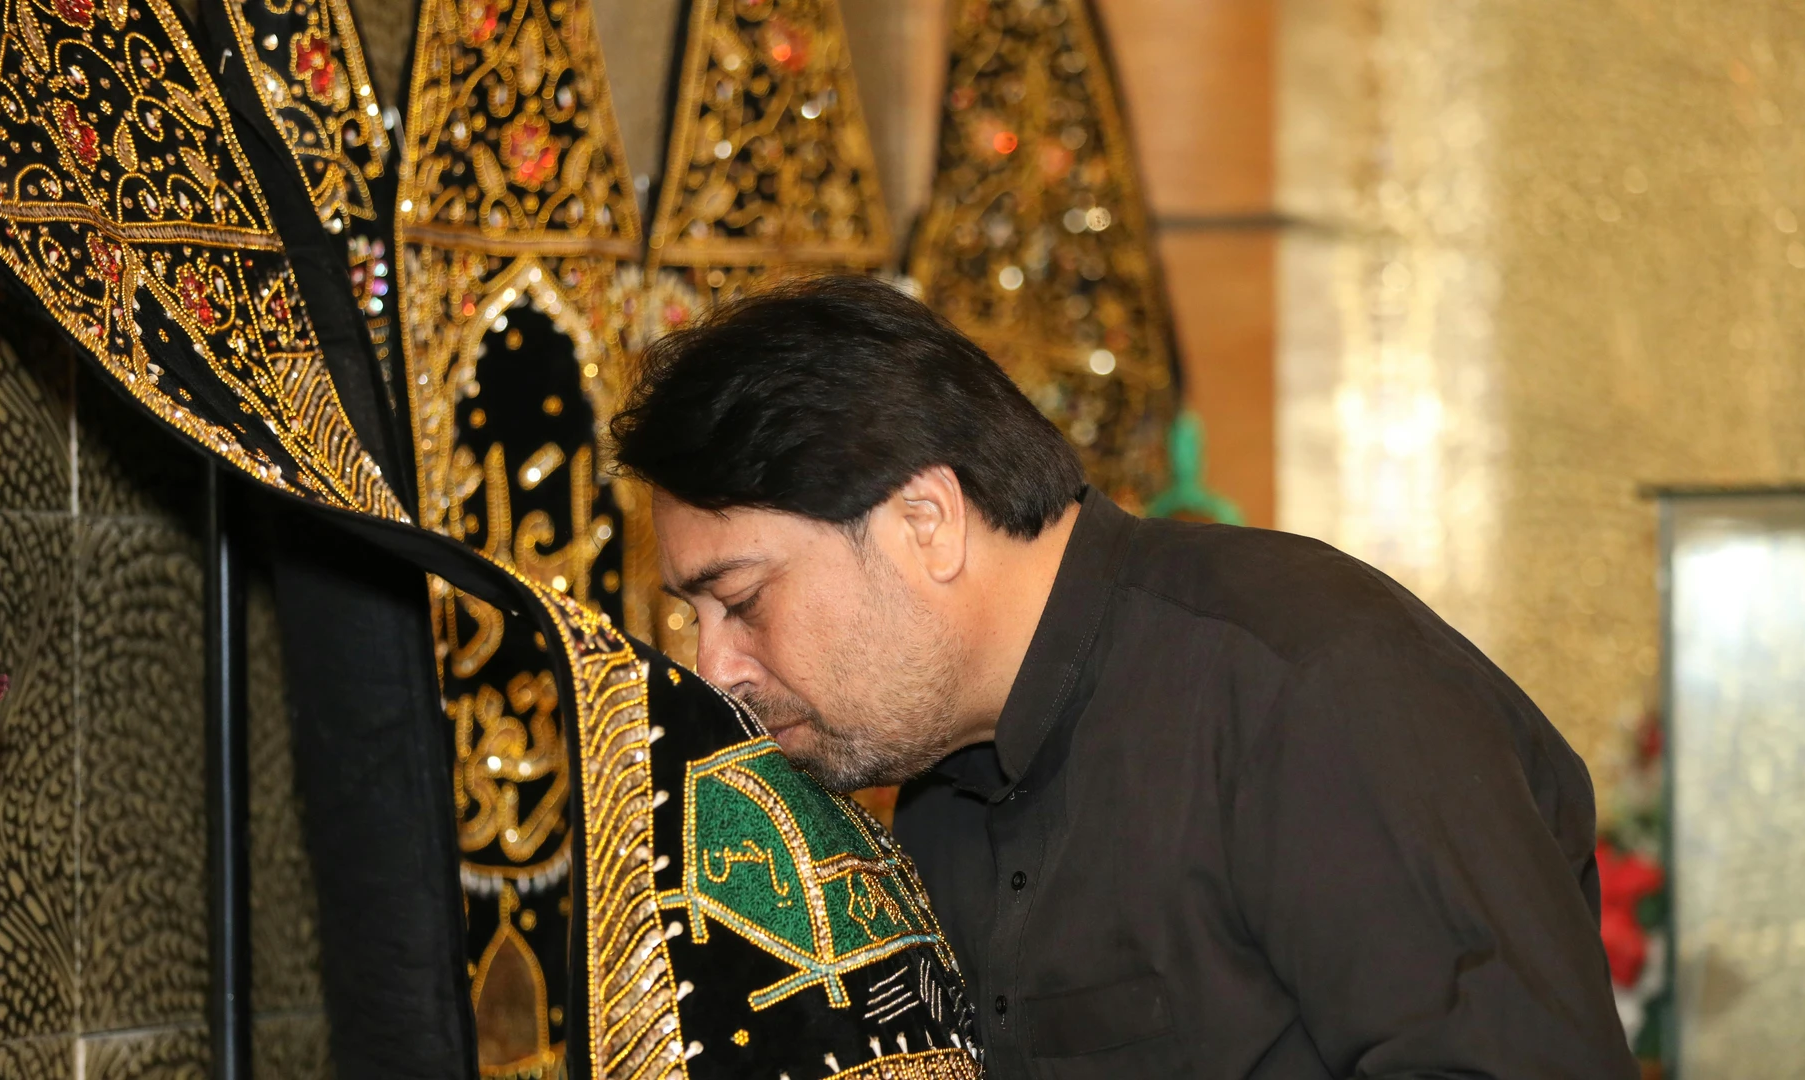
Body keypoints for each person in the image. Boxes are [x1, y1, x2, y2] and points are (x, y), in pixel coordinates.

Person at [610, 275, 1638, 1079]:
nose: (716, 668)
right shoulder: (929, 794)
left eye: (742, 599)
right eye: (695, 618)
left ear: (925, 521)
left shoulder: (1302, 686)